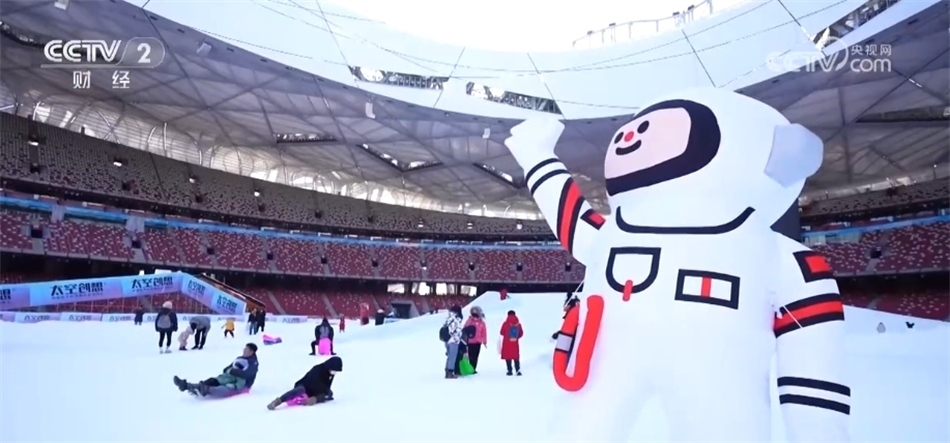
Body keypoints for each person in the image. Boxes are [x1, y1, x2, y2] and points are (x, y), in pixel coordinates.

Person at [173, 343, 259, 397]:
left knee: (220, 388)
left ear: (251, 352)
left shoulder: (253, 363)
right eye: (244, 348)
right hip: (229, 378)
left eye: (246, 349)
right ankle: (186, 386)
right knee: (212, 380)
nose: (244, 350)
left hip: (242, 385)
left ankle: (202, 389)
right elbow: (226, 369)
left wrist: (232, 371)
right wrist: (229, 370)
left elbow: (246, 375)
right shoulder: (240, 358)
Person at [267, 356, 343, 410]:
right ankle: (278, 401)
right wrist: (321, 393)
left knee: (329, 394)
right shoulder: (317, 369)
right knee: (300, 389)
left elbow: (327, 386)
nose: (334, 372)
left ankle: (313, 400)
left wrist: (324, 394)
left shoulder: (330, 373)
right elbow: (314, 383)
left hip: (317, 391)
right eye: (334, 370)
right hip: (305, 385)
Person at [463, 306, 488, 373]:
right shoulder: (478, 322)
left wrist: (484, 341)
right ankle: (471, 368)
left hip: (474, 342)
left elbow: (484, 332)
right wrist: (484, 341)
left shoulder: (473, 321)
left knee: (473, 356)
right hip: (473, 342)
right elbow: (484, 332)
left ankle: (472, 368)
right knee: (473, 356)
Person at [442, 305, 464, 379]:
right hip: (453, 340)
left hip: (446, 340)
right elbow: (455, 330)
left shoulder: (448, 318)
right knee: (452, 357)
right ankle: (450, 372)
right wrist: (458, 337)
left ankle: (447, 371)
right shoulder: (456, 319)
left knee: (449, 356)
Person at [500, 310, 523, 376]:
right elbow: (521, 333)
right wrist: (516, 337)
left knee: (508, 356)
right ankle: (518, 370)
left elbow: (501, 332)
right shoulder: (518, 324)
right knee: (516, 357)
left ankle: (509, 370)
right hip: (515, 343)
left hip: (507, 343)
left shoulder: (505, 323)